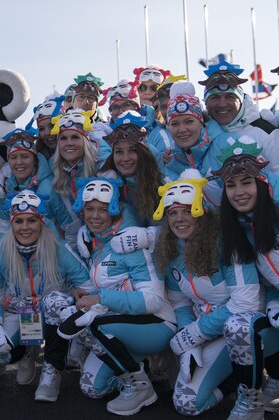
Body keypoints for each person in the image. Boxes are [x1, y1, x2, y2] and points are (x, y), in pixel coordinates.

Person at [152, 168, 263, 417]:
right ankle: (234, 380)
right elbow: (179, 301)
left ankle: (251, 390)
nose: (180, 219)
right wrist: (188, 339)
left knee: (239, 326)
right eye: (173, 213)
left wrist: (195, 333)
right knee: (187, 403)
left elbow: (246, 302)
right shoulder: (169, 249)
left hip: (247, 328)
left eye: (188, 211)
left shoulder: (226, 241)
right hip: (207, 331)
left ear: (201, 212)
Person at [64, 175, 175, 416]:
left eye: (102, 210)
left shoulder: (130, 243)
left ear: (114, 210)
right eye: (89, 209)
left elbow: (152, 300)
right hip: (123, 324)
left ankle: (139, 385)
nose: (94, 216)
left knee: (96, 326)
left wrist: (100, 298)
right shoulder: (94, 241)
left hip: (157, 324)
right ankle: (140, 365)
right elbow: (109, 287)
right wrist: (81, 294)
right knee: (92, 388)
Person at [0, 190, 90, 403]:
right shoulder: (1, 253)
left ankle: (52, 369)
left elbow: (88, 288)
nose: (25, 227)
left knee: (57, 302)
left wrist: (74, 294)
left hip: (50, 311)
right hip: (19, 312)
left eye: (31, 220)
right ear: (12, 224)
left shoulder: (60, 249)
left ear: (42, 223)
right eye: (18, 221)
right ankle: (26, 351)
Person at [213, 145, 279, 418]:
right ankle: (253, 397)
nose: (239, 192)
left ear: (262, 183)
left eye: (246, 182)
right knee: (239, 325)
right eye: (231, 185)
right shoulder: (236, 230)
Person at [45, 110, 111, 250]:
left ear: (85, 141)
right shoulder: (54, 171)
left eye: (75, 137)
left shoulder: (103, 167)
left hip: (107, 240)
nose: (69, 143)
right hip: (75, 242)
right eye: (63, 138)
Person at [200, 61, 279, 174]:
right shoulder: (198, 132)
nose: (222, 104)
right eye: (215, 97)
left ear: (241, 100)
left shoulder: (265, 131)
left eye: (230, 97)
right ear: (206, 102)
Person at [99, 111, 161, 226]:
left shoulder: (162, 181)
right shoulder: (107, 183)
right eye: (119, 152)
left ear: (143, 152)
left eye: (132, 150)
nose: (125, 158)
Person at [0, 130, 53, 240]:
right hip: (18, 252)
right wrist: (2, 254)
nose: (19, 162)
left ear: (34, 160)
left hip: (48, 251)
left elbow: (67, 229)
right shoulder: (6, 188)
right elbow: (4, 230)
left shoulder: (48, 188)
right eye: (13, 157)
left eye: (25, 156)